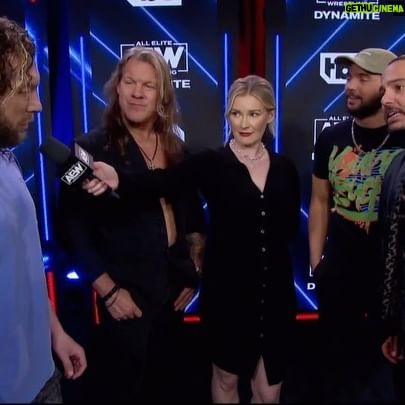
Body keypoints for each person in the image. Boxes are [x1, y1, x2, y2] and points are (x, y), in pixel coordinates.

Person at [85, 74, 301, 403]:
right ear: (227, 116)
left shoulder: (285, 169)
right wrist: (120, 179)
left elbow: (289, 230)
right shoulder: (210, 163)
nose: (244, 123)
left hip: (275, 295)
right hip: (227, 294)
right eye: (236, 113)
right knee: (226, 380)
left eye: (254, 114)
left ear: (270, 115)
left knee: (268, 393)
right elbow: (161, 183)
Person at [56, 46, 206, 402]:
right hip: (124, 298)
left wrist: (193, 270)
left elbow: (192, 215)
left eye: (148, 85)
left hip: (171, 297)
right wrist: (108, 291)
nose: (138, 93)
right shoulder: (86, 149)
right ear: (117, 87)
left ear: (162, 94)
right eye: (130, 82)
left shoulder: (176, 147)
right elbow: (70, 229)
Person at [309, 47, 405, 402]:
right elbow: (319, 201)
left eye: (363, 78)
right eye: (349, 77)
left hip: (388, 285)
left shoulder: (402, 136)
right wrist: (317, 263)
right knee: (336, 376)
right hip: (338, 277)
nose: (350, 85)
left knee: (382, 379)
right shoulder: (331, 138)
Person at [0, 16, 87, 403]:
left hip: (42, 375)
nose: (37, 104)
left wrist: (55, 332)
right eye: (27, 89)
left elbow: (26, 272)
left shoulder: (8, 158)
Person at [378, 55, 405, 400]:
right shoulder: (397, 164)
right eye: (385, 90)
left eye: (398, 87)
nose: (386, 99)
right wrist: (396, 325)